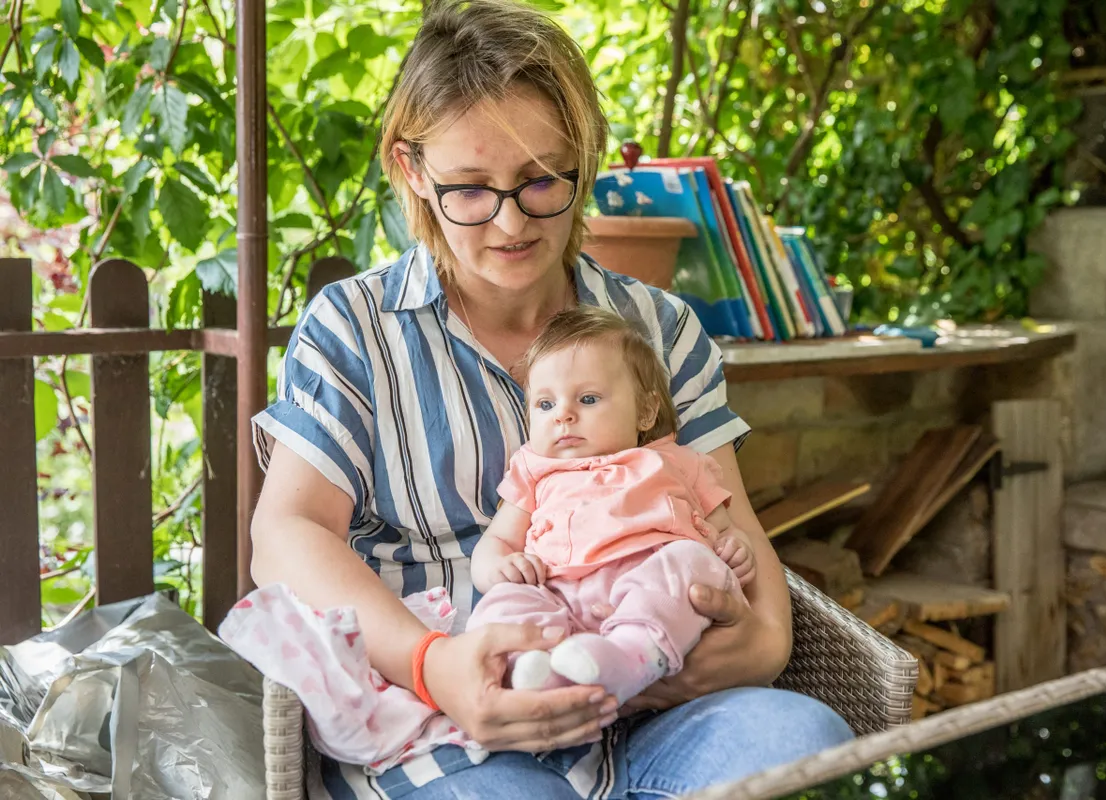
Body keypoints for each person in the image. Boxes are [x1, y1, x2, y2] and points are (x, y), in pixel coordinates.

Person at [248, 0, 854, 796]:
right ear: (412, 169)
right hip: (450, 722)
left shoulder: (660, 330)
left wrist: (763, 644)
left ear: (583, 160)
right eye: (471, 189)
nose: (510, 224)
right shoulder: (355, 329)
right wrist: (435, 666)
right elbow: (285, 534)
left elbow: (732, 521)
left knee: (808, 741)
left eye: (541, 181)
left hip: (656, 698)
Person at [467, 306, 758, 706]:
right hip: (560, 597)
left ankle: (630, 658)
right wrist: (498, 569)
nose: (563, 415)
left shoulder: (678, 462)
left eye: (588, 399)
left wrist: (736, 548)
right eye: (545, 405)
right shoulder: (534, 469)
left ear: (645, 411)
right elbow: (497, 541)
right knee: (504, 601)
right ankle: (534, 671)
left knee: (693, 560)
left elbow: (725, 530)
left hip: (652, 592)